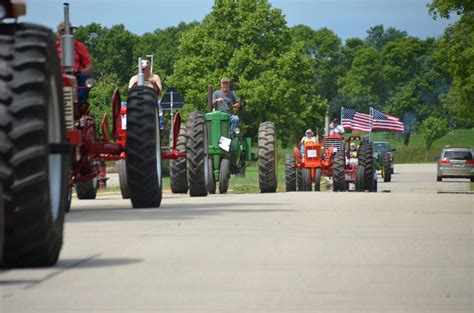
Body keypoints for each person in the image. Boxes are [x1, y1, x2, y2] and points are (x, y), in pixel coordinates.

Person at [56, 22, 94, 106]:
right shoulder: (54, 47)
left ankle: (80, 104)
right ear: (59, 33)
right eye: (64, 31)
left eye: (70, 30)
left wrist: (79, 71)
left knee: (86, 78)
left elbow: (89, 66)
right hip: (57, 77)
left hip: (76, 76)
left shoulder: (79, 46)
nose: (69, 32)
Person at [128, 60, 164, 130]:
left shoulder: (155, 77)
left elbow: (159, 92)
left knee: (160, 105)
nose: (142, 71)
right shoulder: (134, 78)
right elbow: (129, 92)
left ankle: (160, 127)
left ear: (149, 68)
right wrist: (135, 84)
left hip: (152, 101)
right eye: (141, 69)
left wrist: (154, 84)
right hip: (137, 101)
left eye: (144, 69)